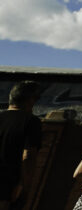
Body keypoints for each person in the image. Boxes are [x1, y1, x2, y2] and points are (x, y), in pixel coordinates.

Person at [0, 81, 41, 210]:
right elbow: (28, 156)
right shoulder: (31, 121)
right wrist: (25, 187)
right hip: (6, 185)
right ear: (30, 100)